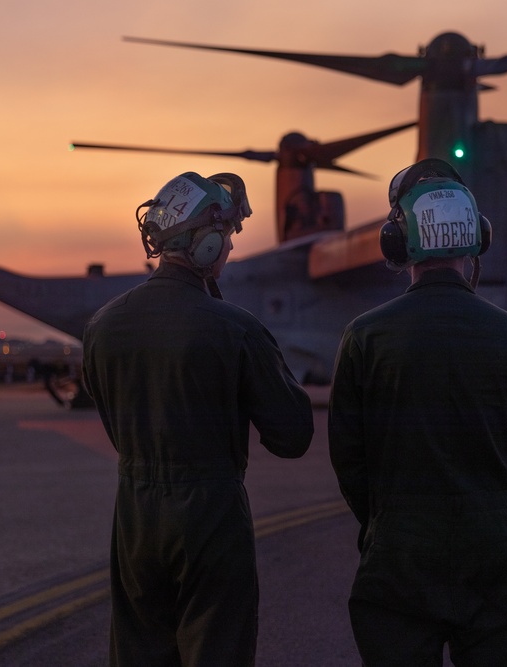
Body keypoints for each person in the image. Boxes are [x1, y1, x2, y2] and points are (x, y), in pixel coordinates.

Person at [82, 171, 314, 667]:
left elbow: (112, 421)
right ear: (207, 244)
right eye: (226, 237)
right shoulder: (234, 327)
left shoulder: (102, 325)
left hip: (136, 516)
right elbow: (293, 434)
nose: (229, 249)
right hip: (210, 515)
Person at [328, 158, 507, 666]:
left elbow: (348, 456)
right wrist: (495, 506)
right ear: (477, 237)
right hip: (494, 547)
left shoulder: (365, 336)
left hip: (399, 554)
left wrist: (382, 521)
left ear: (398, 240)